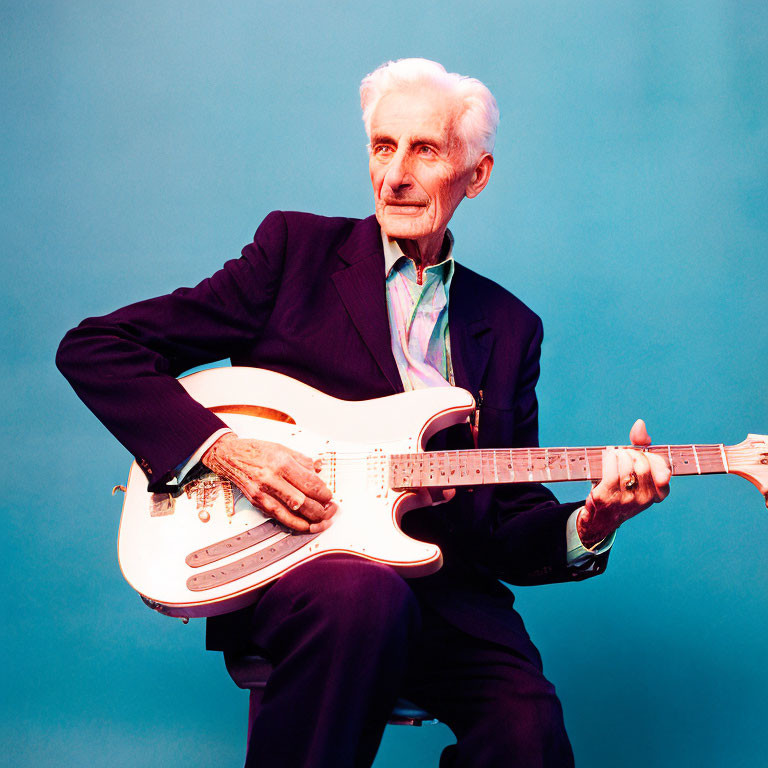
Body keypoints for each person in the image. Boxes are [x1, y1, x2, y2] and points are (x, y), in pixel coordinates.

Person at [57, 58, 671, 768]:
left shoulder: (509, 326)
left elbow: (508, 522)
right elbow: (98, 348)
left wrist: (593, 522)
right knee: (363, 598)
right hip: (309, 570)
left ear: (477, 174)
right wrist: (225, 450)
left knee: (529, 729)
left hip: (449, 591)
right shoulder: (294, 254)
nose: (395, 175)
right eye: (383, 147)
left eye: (425, 150)